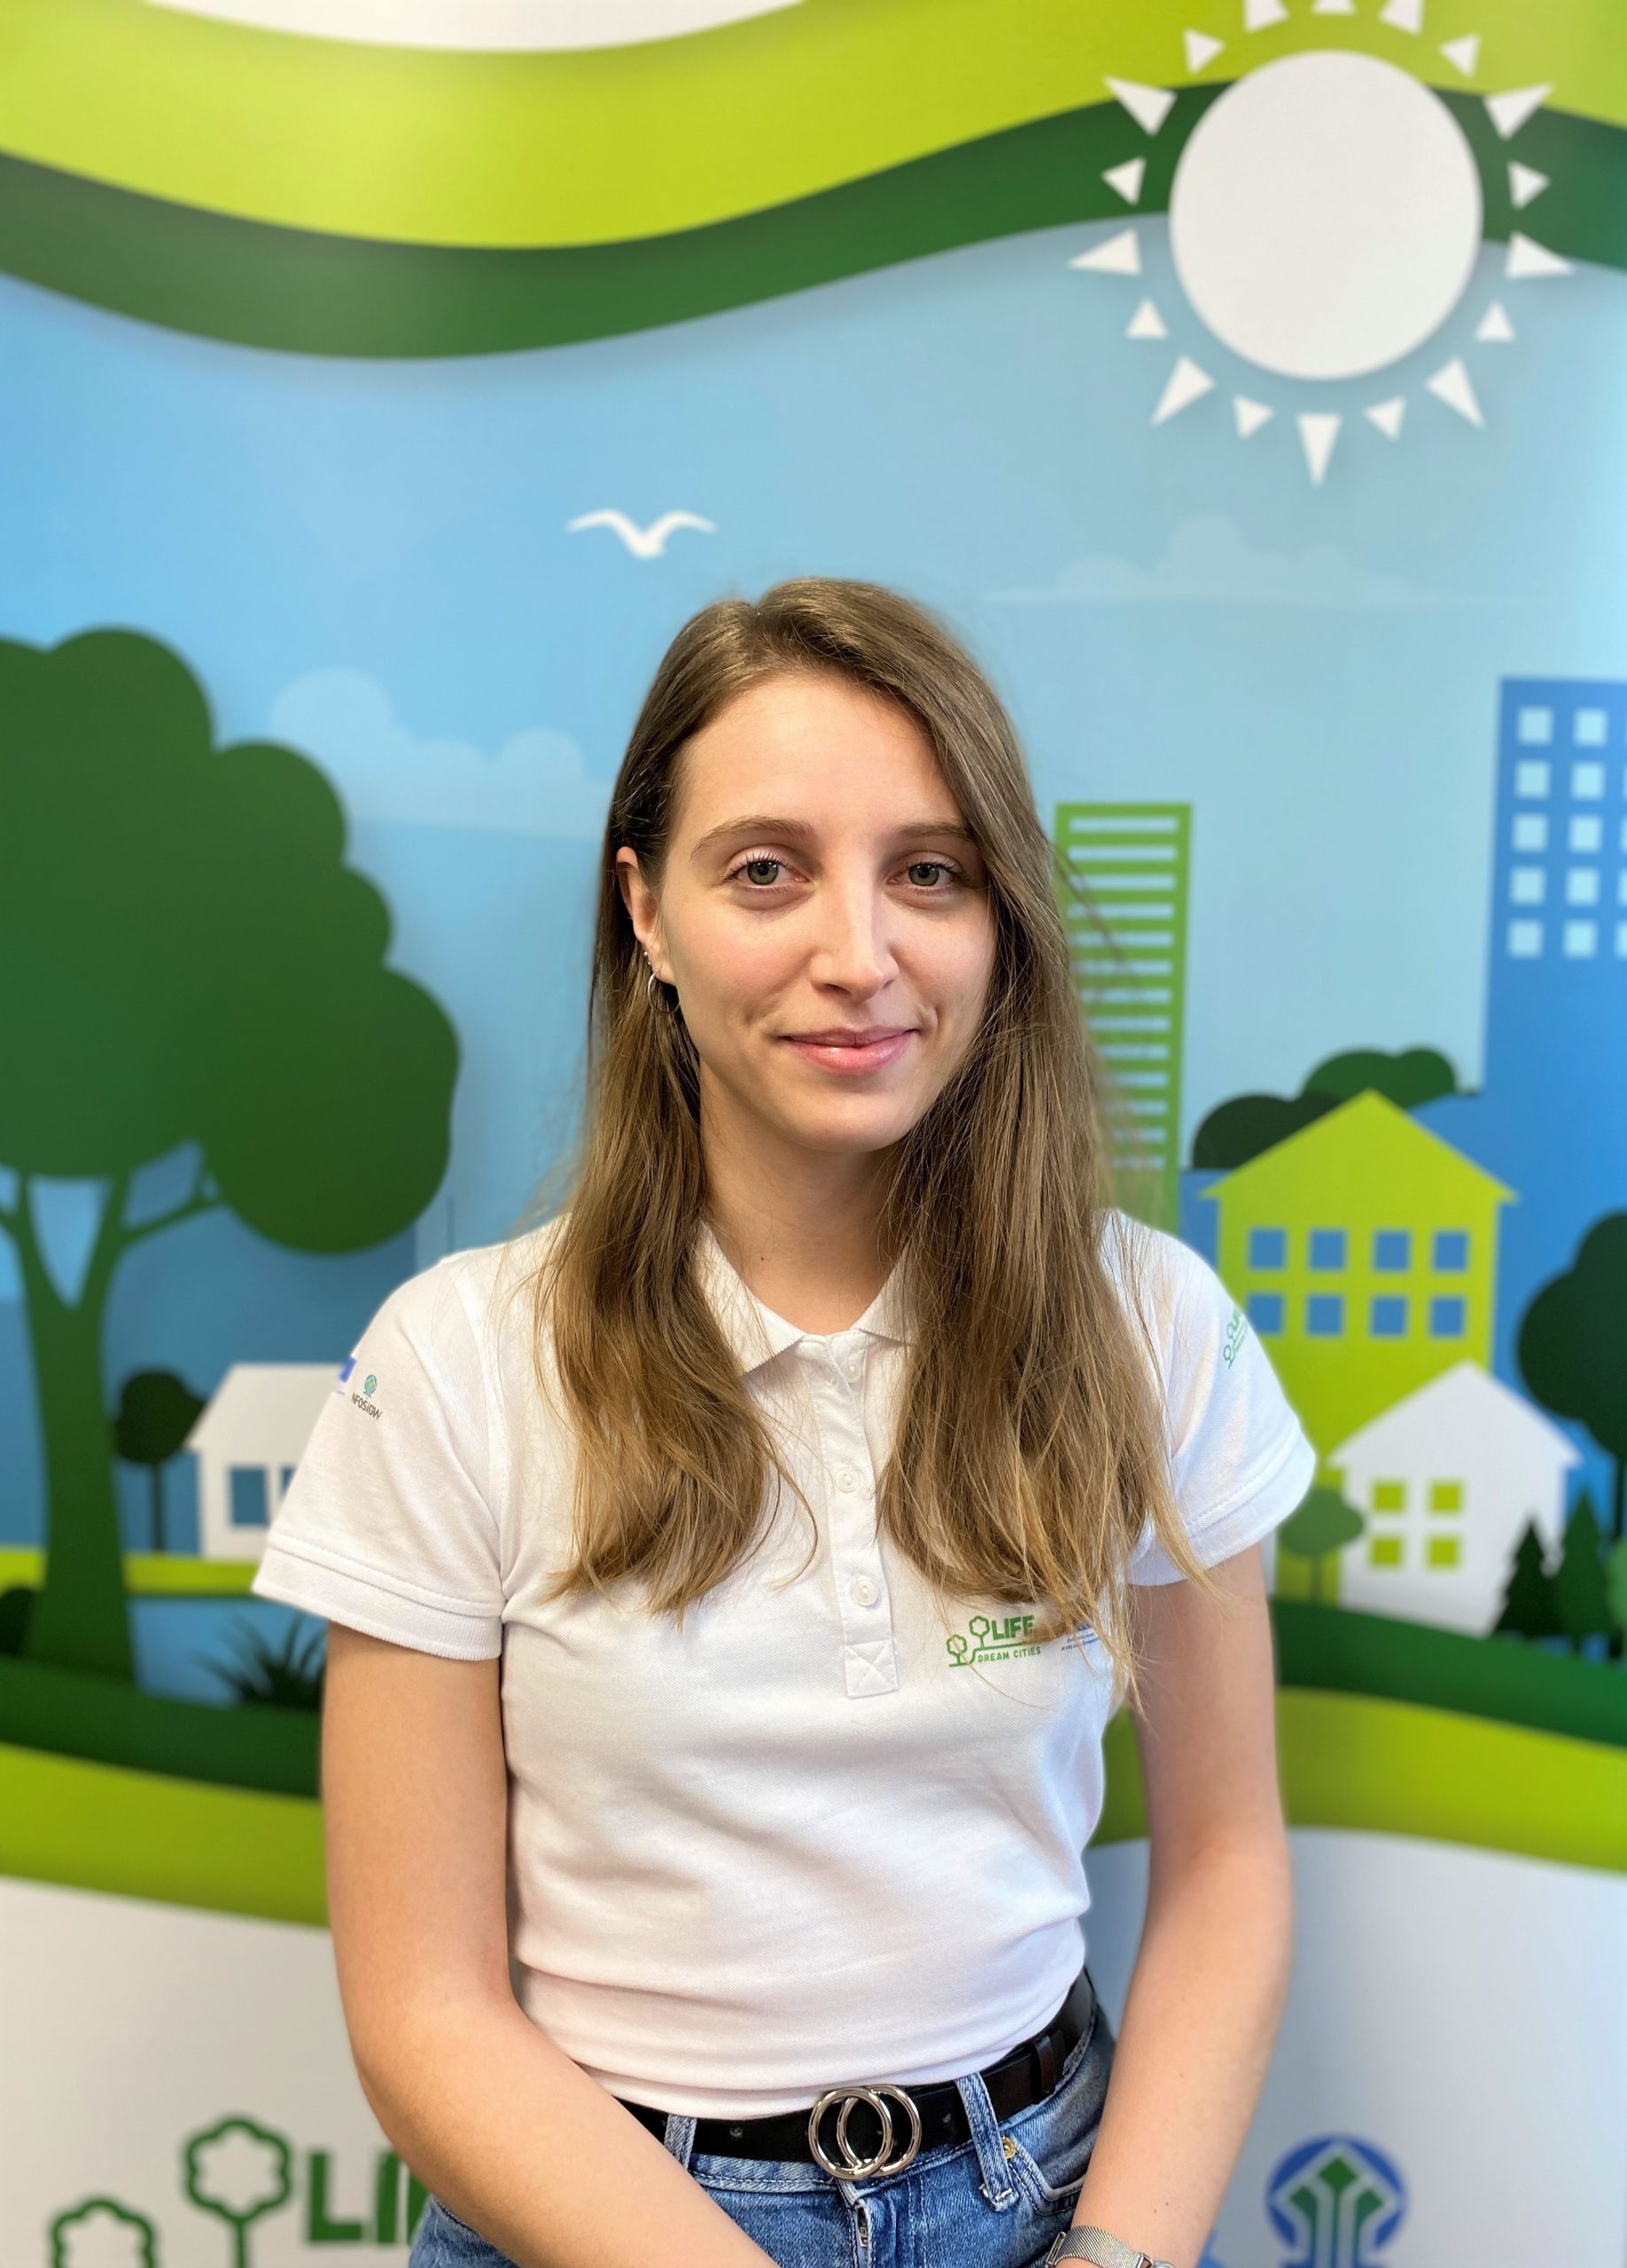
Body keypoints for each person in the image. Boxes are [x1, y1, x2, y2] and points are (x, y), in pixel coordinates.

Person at [250, 577, 1316, 2268]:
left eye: (930, 873)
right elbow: (423, 2010)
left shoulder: (1153, 1328)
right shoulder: (456, 1365)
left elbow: (1228, 1867)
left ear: (1001, 918)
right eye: (766, 870)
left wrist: (1115, 2258)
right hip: (599, 2214)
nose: (859, 955)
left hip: (1051, 2198)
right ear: (646, 912)